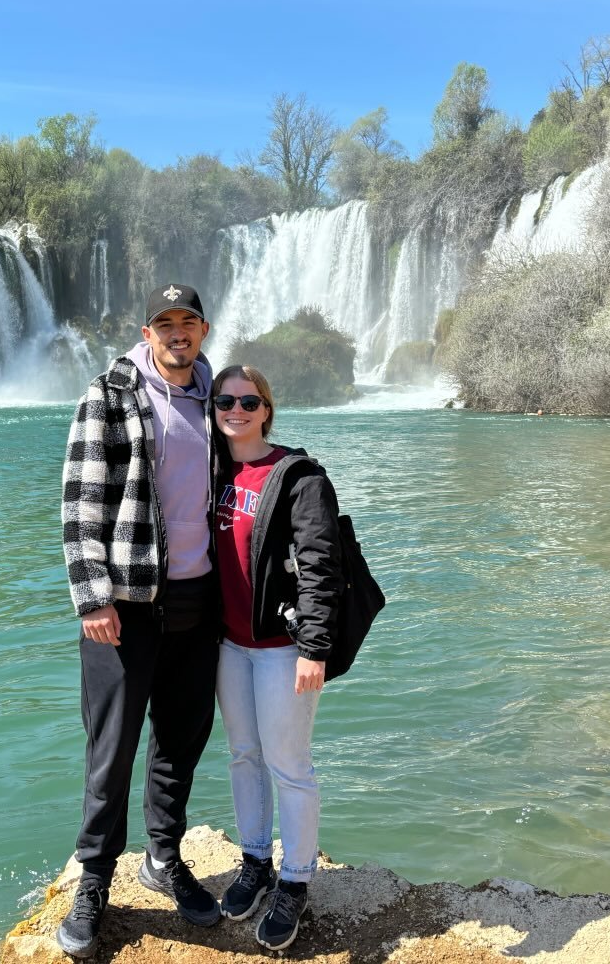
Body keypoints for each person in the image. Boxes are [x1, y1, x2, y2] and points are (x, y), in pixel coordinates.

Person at [56, 284, 223, 959]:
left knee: (181, 741)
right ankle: (96, 878)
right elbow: (79, 503)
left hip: (199, 602)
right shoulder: (109, 393)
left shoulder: (216, 394)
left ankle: (163, 857)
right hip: (125, 606)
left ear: (203, 330)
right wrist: (92, 596)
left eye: (189, 321)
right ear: (147, 332)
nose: (178, 332)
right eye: (165, 323)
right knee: (112, 748)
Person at [211, 364, 343, 952]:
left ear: (266, 408)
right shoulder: (212, 469)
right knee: (244, 755)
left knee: (290, 765)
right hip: (228, 645)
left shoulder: (298, 476)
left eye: (248, 401)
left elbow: (320, 564)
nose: (236, 410)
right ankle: (255, 861)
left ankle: (295, 881)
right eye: (225, 401)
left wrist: (314, 648)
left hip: (282, 649)